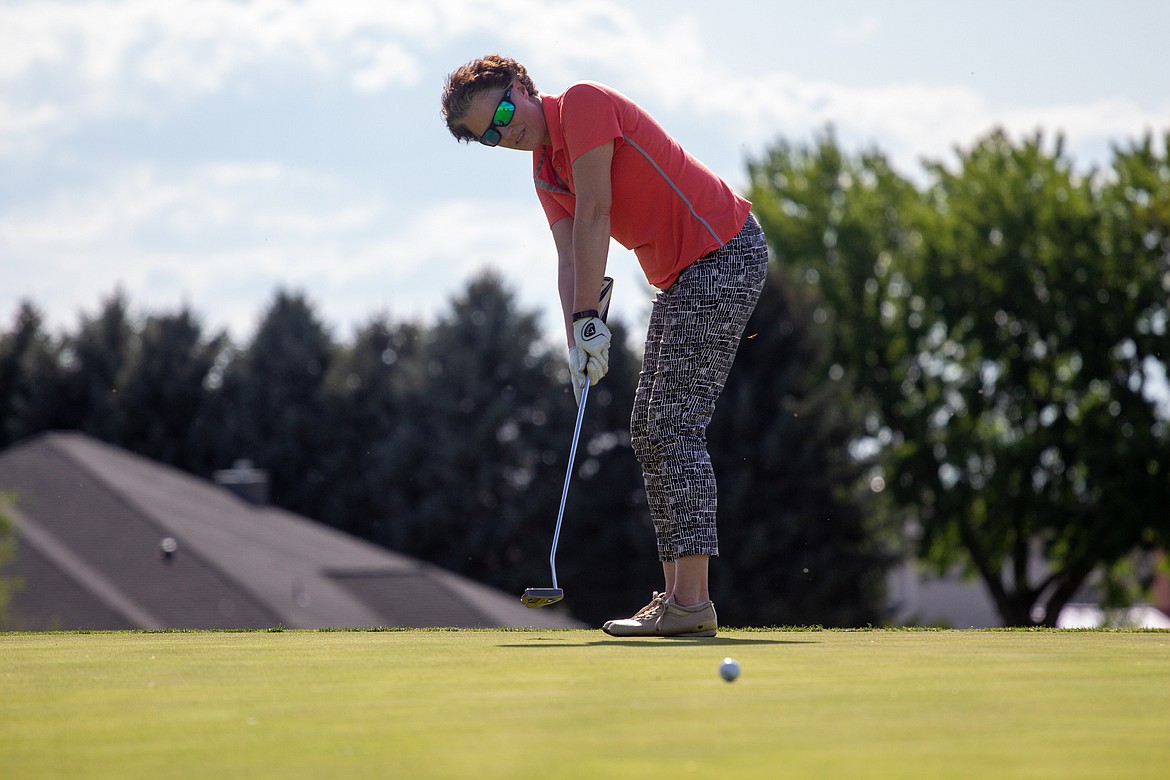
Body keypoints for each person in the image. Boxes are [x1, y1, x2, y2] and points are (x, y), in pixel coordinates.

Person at [441, 55, 767, 637]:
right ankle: (676, 598)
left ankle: (692, 603)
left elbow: (596, 211)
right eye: (489, 136)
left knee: (673, 423)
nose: (504, 134)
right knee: (650, 427)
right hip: (681, 277)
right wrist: (576, 344)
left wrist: (590, 316)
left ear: (521, 86)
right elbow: (569, 259)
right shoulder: (545, 174)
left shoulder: (583, 105)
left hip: (724, 251)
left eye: (504, 115)